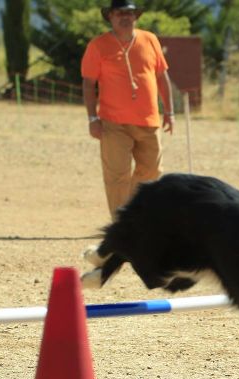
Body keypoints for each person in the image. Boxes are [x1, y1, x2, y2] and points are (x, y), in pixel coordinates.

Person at [81, 0, 175, 217]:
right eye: (118, 13)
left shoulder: (150, 40)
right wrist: (92, 119)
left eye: (129, 13)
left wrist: (169, 111)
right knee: (117, 176)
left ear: (136, 17)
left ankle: (135, 215)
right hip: (113, 123)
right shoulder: (98, 45)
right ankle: (120, 223)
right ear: (110, 17)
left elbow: (162, 76)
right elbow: (88, 83)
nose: (124, 17)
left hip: (149, 120)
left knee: (152, 172)